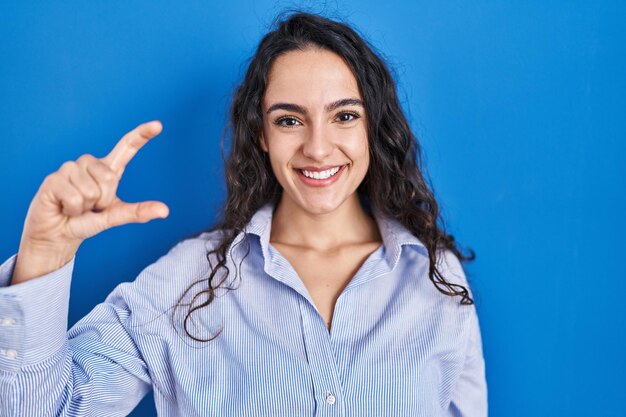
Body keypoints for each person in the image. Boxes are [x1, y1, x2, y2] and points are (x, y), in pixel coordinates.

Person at [0, 11, 487, 417]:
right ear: (261, 134)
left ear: (371, 127)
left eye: (344, 115)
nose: (318, 148)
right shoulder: (184, 282)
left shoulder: (435, 276)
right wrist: (45, 251)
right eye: (289, 120)